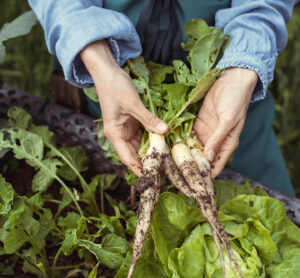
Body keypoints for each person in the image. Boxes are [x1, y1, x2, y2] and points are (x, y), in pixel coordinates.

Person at [28, 0, 297, 196]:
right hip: (107, 80)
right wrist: (96, 58)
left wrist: (242, 69)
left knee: (265, 208)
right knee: (105, 186)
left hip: (227, 91)